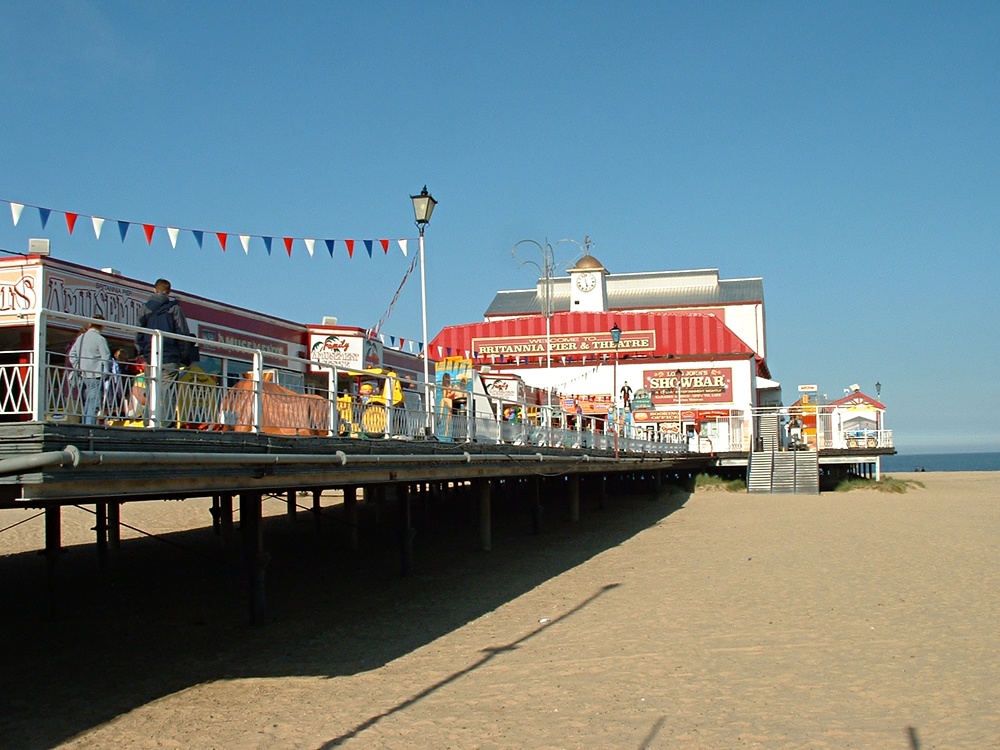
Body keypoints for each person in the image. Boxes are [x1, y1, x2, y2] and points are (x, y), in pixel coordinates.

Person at [135, 279, 193, 425]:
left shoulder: (145, 308)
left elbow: (138, 334)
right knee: (168, 391)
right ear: (169, 292)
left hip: (151, 356)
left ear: (154, 290)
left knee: (151, 388)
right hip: (170, 356)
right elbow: (182, 334)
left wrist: (143, 353)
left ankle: (148, 422)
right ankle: (167, 424)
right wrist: (182, 355)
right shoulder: (174, 309)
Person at [68, 314, 112, 425]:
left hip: (83, 375)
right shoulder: (100, 339)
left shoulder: (81, 338)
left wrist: (78, 367)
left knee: (86, 403)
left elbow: (72, 354)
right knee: (94, 403)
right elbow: (106, 358)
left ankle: (85, 425)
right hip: (96, 375)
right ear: (102, 326)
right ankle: (90, 426)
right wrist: (106, 372)